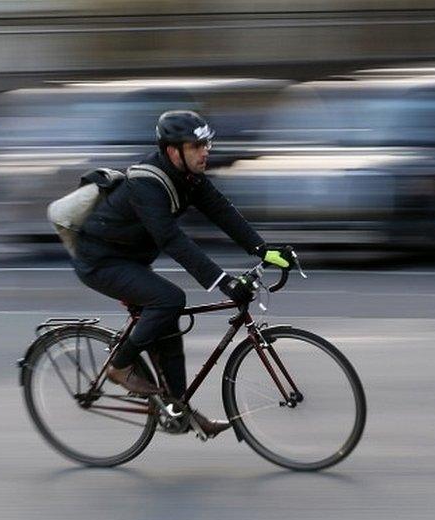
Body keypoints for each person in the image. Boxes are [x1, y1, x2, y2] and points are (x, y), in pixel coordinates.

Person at [72, 110, 293, 438]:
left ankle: (178, 410)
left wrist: (263, 249)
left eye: (207, 144)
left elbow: (221, 211)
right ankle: (120, 367)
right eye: (196, 146)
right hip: (100, 260)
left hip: (130, 259)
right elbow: (171, 239)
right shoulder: (146, 183)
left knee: (168, 324)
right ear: (173, 150)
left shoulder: (189, 178)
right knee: (169, 299)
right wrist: (223, 281)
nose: (205, 152)